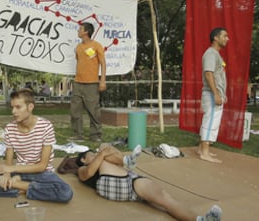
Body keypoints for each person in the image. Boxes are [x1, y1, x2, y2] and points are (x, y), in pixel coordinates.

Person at [0, 89, 73, 202]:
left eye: (18, 107)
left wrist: (10, 170)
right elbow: (8, 162)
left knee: (65, 192)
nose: (13, 112)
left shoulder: (46, 126)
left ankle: (20, 187)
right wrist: (7, 175)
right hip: (19, 172)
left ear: (30, 107)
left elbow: (42, 166)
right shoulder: (10, 128)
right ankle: (30, 188)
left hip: (42, 174)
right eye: (12, 107)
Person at [76, 144, 222, 221]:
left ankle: (199, 220)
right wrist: (101, 153)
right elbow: (88, 173)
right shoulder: (83, 168)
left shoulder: (102, 163)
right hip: (124, 183)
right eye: (91, 154)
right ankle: (128, 160)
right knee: (166, 201)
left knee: (166, 201)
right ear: (83, 159)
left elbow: (105, 159)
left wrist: (105, 151)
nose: (95, 154)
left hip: (130, 183)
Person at [70, 22, 106, 142]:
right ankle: (77, 135)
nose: (78, 31)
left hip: (92, 83)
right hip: (77, 83)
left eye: (80, 29)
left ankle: (95, 135)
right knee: (75, 110)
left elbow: (103, 63)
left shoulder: (97, 46)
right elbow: (80, 62)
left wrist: (102, 81)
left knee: (93, 110)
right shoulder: (78, 47)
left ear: (86, 32)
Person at [198, 28, 229, 163]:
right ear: (216, 38)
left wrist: (221, 93)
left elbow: (217, 75)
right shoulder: (211, 53)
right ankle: (205, 153)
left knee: (212, 121)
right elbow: (208, 73)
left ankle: (201, 148)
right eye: (224, 36)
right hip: (211, 94)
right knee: (210, 122)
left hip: (215, 93)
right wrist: (216, 94)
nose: (227, 39)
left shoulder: (216, 54)